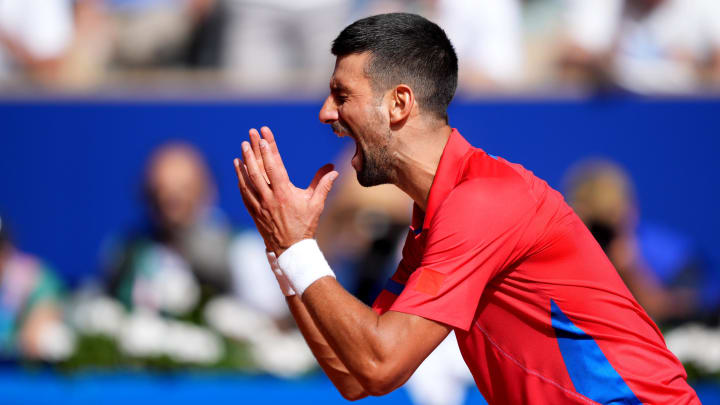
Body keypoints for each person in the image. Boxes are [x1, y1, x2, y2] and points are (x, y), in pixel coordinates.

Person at [233, 13, 700, 404]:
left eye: (341, 94)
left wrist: (297, 245)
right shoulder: (435, 218)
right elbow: (356, 375)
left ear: (399, 103)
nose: (325, 113)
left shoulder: (483, 201)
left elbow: (379, 362)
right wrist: (283, 249)